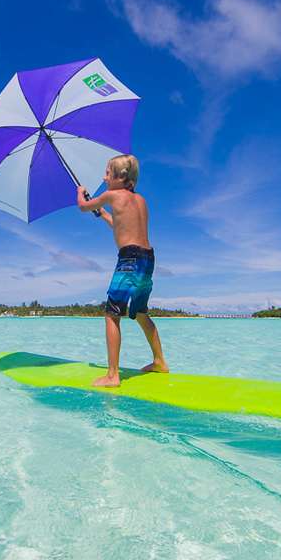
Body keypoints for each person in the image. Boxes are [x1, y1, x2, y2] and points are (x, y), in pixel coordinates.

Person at [76, 154, 169, 387]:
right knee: (140, 313)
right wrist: (103, 213)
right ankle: (160, 362)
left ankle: (112, 375)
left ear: (122, 175)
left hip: (128, 259)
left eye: (108, 172)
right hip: (148, 259)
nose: (104, 177)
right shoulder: (141, 201)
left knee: (112, 314)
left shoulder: (111, 195)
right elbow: (122, 225)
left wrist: (81, 191)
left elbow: (82, 206)